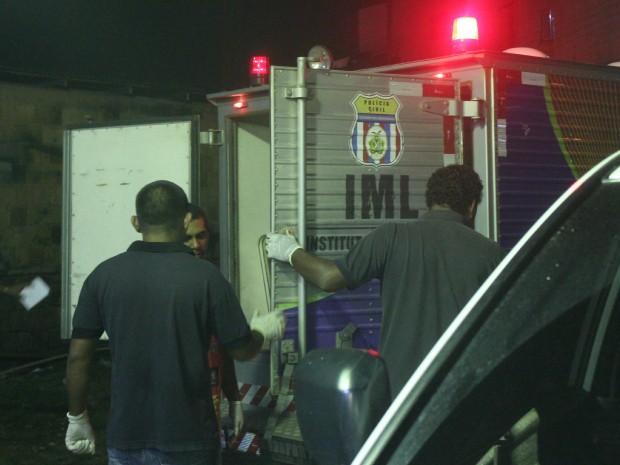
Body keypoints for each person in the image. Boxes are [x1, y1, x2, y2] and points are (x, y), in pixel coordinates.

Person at [65, 180, 285, 464]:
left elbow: (78, 358)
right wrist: (260, 331)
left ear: (136, 223)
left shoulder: (102, 276)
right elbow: (241, 350)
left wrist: (77, 418)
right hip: (190, 438)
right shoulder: (207, 277)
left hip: (127, 438)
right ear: (185, 220)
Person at [265, 164, 505, 398]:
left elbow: (328, 278)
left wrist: (291, 251)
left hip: (398, 394)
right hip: (461, 394)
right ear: (471, 206)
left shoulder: (391, 237)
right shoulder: (492, 255)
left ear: (429, 201)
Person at [185, 203, 244, 444]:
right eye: (188, 238)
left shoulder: (213, 280)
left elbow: (223, 346)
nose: (196, 245)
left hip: (210, 414)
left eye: (201, 236)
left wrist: (235, 398)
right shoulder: (170, 285)